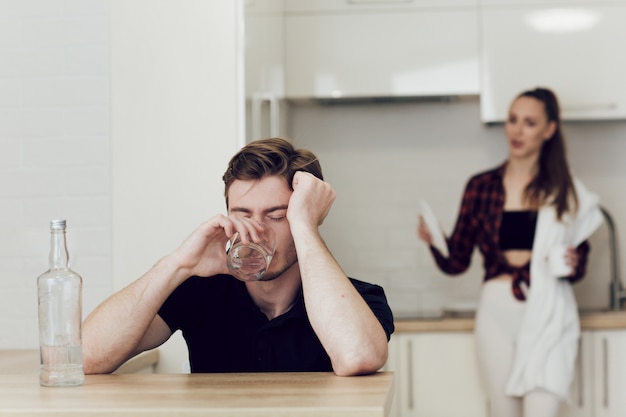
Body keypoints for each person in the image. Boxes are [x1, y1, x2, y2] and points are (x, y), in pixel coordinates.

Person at [83, 137, 394, 376]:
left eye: (277, 216)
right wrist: (179, 263)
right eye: (243, 215)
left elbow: (357, 356)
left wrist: (304, 225)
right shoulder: (200, 291)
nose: (255, 232)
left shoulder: (362, 299)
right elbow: (84, 356)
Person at [417, 87, 603, 417]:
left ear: (549, 130)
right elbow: (458, 261)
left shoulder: (565, 190)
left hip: (548, 310)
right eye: (513, 120)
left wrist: (574, 262)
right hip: (496, 311)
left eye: (529, 123)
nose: (517, 130)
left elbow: (578, 261)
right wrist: (435, 241)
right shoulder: (481, 186)